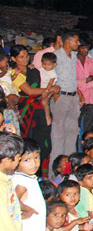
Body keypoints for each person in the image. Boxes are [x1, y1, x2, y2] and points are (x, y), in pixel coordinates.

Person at [11, 45, 55, 175]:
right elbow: (30, 91)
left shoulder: (34, 70)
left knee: (43, 139)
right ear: (13, 58)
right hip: (25, 111)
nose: (25, 59)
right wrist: (51, 89)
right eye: (21, 56)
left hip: (39, 107)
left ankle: (41, 173)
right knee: (28, 140)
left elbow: (39, 90)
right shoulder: (14, 73)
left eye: (26, 55)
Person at [13, 139, 46, 231]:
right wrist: (27, 210)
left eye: (36, 158)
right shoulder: (22, 181)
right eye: (27, 160)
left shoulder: (27, 177)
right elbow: (13, 200)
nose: (34, 163)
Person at [50, 30, 81, 168]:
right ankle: (55, 171)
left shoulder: (74, 56)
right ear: (68, 41)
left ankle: (70, 169)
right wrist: (54, 93)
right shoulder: (56, 56)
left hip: (73, 97)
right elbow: (46, 73)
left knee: (72, 134)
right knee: (58, 136)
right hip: (61, 97)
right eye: (76, 41)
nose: (78, 43)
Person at [0, 132, 23, 231]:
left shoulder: (5, 179)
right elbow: (3, 224)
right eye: (18, 159)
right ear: (6, 160)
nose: (19, 162)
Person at [76, 39, 93, 137]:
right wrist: (86, 80)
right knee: (75, 126)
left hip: (91, 99)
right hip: (77, 98)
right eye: (83, 48)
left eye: (87, 48)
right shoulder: (72, 62)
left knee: (90, 128)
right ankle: (77, 146)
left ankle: (88, 145)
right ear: (77, 48)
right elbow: (71, 82)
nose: (86, 50)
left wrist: (81, 85)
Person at [39, 52, 58, 127]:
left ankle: (48, 118)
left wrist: (46, 91)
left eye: (49, 65)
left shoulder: (53, 74)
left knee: (44, 102)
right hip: (39, 89)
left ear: (54, 64)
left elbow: (50, 84)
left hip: (49, 90)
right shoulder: (40, 70)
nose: (46, 66)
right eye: (44, 64)